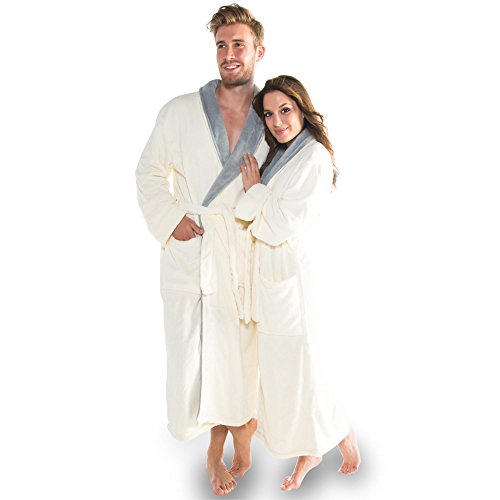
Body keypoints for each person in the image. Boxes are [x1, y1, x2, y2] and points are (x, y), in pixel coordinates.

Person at [135, 4, 269, 496]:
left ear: (258, 51)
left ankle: (242, 435)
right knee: (195, 355)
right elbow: (148, 173)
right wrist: (173, 220)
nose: (229, 54)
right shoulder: (179, 111)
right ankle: (212, 448)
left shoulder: (274, 113)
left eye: (239, 45)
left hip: (247, 250)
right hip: (196, 250)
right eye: (221, 45)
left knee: (244, 354)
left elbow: (296, 170)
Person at [235, 75, 361, 490]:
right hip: (272, 279)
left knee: (305, 365)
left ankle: (330, 440)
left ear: (302, 109)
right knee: (284, 370)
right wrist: (258, 199)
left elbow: (278, 225)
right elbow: (256, 215)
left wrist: (255, 192)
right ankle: (323, 440)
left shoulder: (314, 158)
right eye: (269, 114)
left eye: (285, 110)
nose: (277, 121)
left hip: (293, 280)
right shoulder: (283, 155)